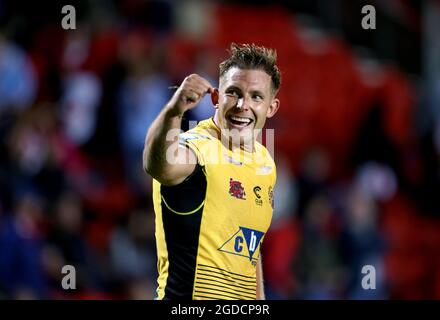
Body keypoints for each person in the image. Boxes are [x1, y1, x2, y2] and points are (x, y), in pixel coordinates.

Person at [143, 43, 281, 300]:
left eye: (256, 96)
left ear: (271, 108)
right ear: (216, 99)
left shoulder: (264, 162)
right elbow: (158, 165)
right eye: (233, 93)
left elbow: (251, 249)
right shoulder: (197, 147)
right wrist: (174, 111)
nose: (243, 105)